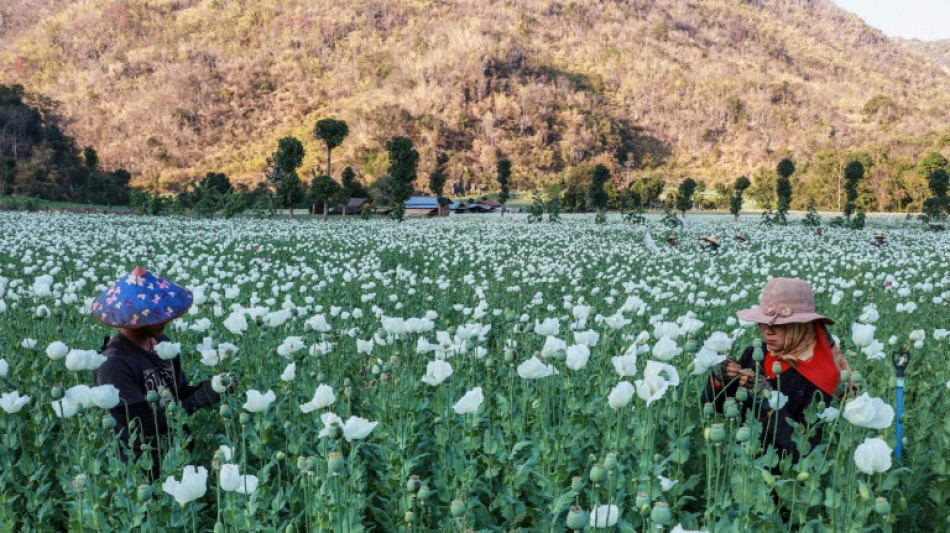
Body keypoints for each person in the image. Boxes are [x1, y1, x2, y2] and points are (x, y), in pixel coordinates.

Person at [93, 267, 227, 480]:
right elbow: (143, 423)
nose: (165, 317)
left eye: (164, 310)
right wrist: (201, 399)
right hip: (142, 469)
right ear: (132, 316)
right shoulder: (113, 365)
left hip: (179, 454)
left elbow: (178, 394)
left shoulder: (163, 345)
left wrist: (212, 387)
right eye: (154, 313)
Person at [702, 278, 851, 460]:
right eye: (763, 322)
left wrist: (770, 403)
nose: (767, 331)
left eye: (778, 325)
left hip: (787, 480)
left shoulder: (822, 376)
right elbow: (717, 409)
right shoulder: (755, 354)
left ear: (802, 326)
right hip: (744, 468)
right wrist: (719, 381)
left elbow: (806, 452)